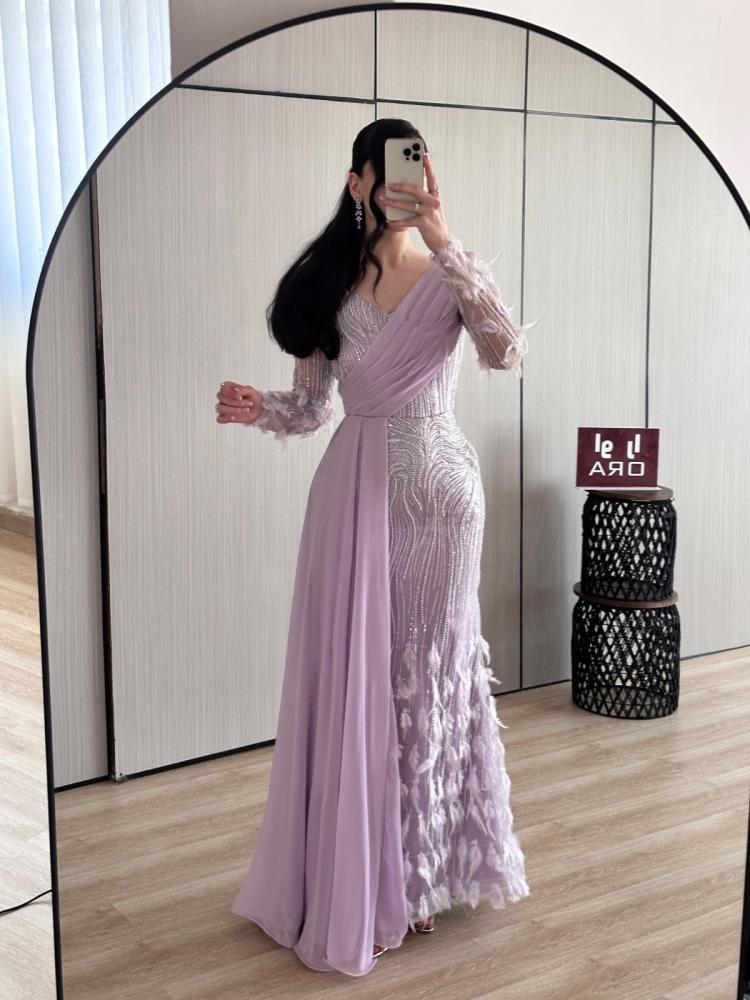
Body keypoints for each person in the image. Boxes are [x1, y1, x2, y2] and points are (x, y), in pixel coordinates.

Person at [217, 120, 535, 977]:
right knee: (360, 675)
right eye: (389, 170)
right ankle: (370, 872)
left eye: (418, 168)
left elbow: (507, 350)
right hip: (354, 497)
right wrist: (259, 409)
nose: (405, 182)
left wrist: (446, 239)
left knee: (433, 670)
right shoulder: (328, 286)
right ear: (358, 182)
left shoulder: (451, 274)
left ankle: (420, 877)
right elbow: (312, 407)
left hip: (444, 498)